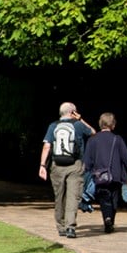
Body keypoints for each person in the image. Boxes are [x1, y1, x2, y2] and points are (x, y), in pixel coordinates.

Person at [39, 102, 94, 238]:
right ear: (73, 112)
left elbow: (47, 146)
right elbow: (93, 132)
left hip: (57, 165)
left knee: (60, 196)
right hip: (75, 165)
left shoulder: (53, 126)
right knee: (73, 196)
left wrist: (42, 165)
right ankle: (70, 227)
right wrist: (80, 119)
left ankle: (61, 226)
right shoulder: (79, 125)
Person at [85, 113, 127, 234]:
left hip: (99, 175)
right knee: (114, 198)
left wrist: (86, 173)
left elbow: (87, 160)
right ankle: (111, 220)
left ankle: (107, 218)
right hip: (116, 175)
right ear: (113, 125)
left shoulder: (92, 140)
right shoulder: (118, 139)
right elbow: (125, 158)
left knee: (104, 198)